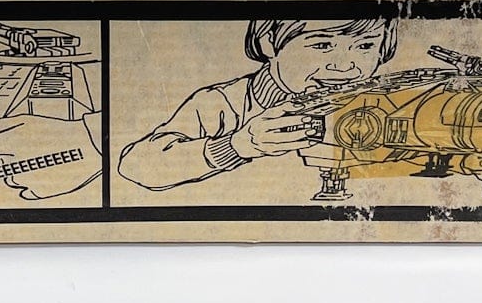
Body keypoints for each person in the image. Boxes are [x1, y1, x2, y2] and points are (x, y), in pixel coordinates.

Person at [117, 17, 398, 192]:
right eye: (322, 45)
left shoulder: (382, 104)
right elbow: (138, 165)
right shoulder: (222, 103)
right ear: (269, 42)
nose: (345, 66)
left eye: (365, 46)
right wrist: (237, 145)